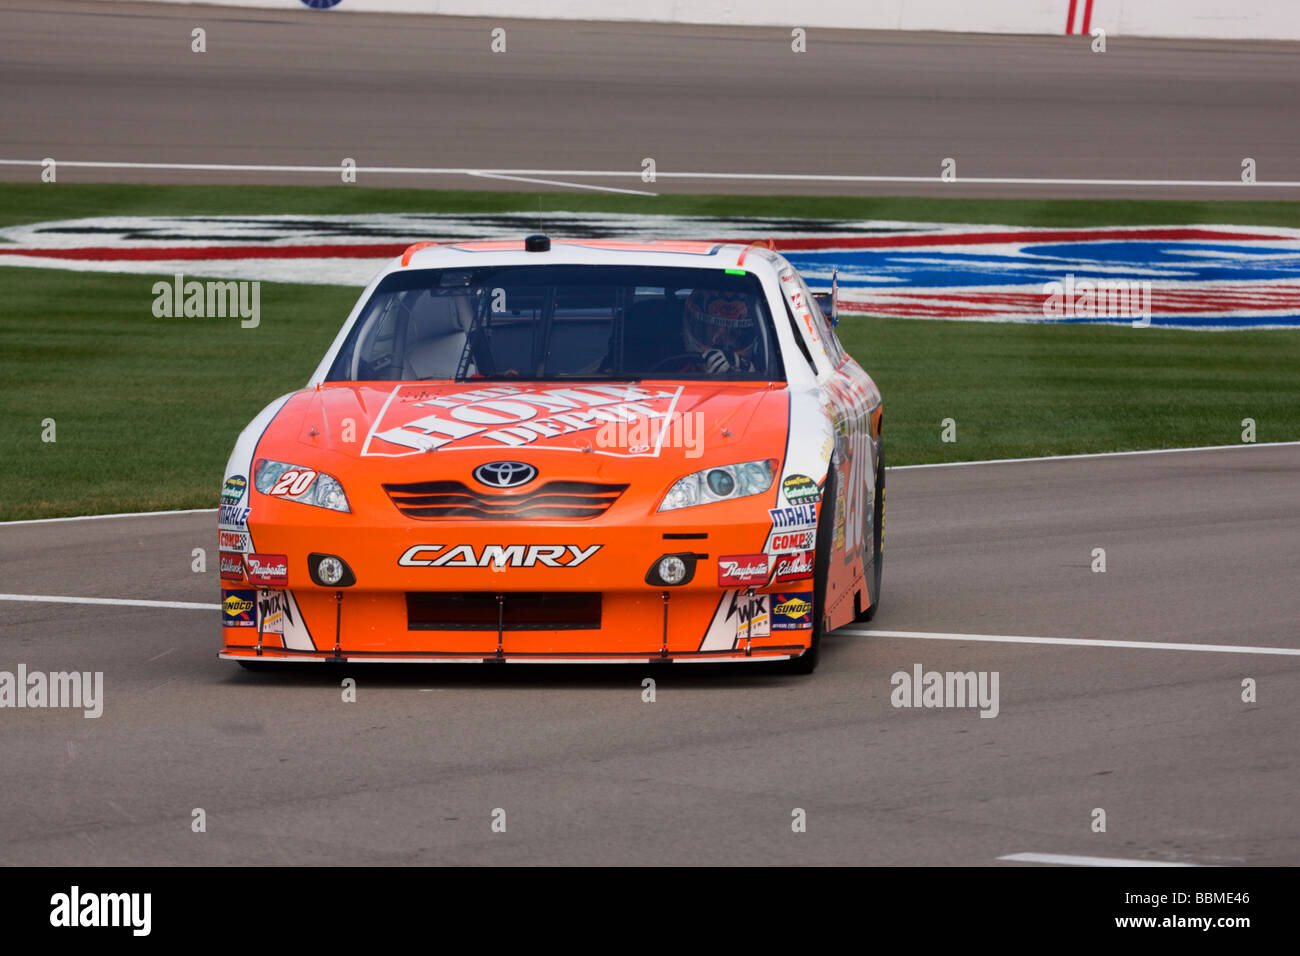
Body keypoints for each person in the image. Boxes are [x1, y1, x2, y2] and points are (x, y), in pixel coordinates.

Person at [681, 288, 760, 374]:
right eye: (713, 328)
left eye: (733, 332)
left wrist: (748, 373)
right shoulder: (674, 376)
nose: (719, 338)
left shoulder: (766, 376)